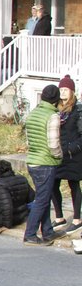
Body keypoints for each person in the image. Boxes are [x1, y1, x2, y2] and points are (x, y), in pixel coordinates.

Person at [23, 84, 63, 245]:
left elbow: (28, 140)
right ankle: (30, 234)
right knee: (41, 200)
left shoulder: (33, 114)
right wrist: (59, 156)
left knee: (43, 197)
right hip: (46, 162)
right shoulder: (52, 116)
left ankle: (47, 232)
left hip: (33, 161)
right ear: (56, 99)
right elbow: (53, 143)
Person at [51, 75, 82, 234]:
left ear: (72, 92)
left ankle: (77, 219)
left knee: (73, 184)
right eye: (61, 89)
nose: (62, 93)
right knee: (53, 183)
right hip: (58, 153)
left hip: (73, 154)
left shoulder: (77, 109)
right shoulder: (55, 108)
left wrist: (73, 148)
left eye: (66, 90)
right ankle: (59, 217)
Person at [0, 158, 34, 231]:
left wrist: (7, 226)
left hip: (4, 220)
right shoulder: (22, 179)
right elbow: (32, 198)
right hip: (22, 216)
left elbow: (7, 207)